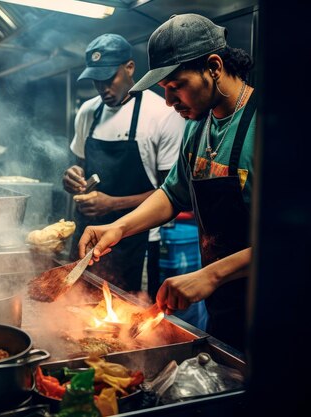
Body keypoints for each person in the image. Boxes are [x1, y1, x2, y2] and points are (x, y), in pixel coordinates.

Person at [77, 14, 256, 352]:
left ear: (214, 66)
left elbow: (295, 243)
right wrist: (119, 227)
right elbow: (173, 194)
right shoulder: (197, 126)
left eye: (177, 87)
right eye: (165, 91)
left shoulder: (267, 126)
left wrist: (211, 274)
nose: (170, 103)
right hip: (225, 305)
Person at [63, 33, 185, 293]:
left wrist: (113, 204)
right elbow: (80, 167)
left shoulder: (162, 114)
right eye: (96, 81)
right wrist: (72, 176)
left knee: (126, 320)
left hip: (135, 241)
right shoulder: (88, 111)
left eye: (109, 79)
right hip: (88, 237)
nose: (102, 88)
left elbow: (173, 193)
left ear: (130, 67)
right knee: (75, 311)